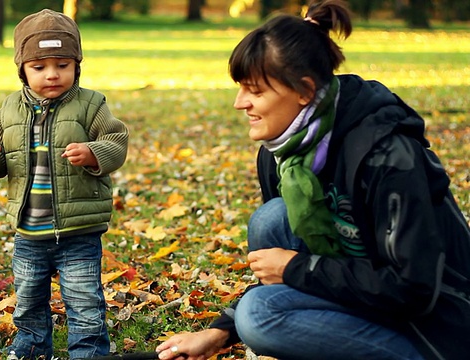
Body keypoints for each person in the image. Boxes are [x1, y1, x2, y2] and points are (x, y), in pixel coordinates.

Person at [156, 1, 470, 359]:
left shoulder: (388, 155)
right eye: (240, 88)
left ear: (305, 91)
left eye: (255, 91)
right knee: (272, 221)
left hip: (435, 327)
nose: (239, 103)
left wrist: (295, 268)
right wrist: (219, 332)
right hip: (367, 298)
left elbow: (414, 288)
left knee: (259, 315)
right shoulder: (283, 154)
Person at [0, 9, 128, 360]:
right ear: (23, 70)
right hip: (28, 231)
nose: (52, 75)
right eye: (39, 67)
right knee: (28, 297)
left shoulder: (91, 105)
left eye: (63, 65)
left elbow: (117, 140)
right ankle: (31, 343)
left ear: (77, 66)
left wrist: (93, 152)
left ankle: (87, 351)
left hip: (79, 230)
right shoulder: (10, 108)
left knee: (84, 299)